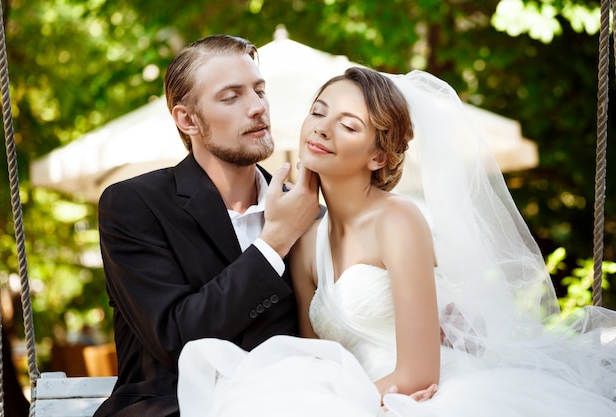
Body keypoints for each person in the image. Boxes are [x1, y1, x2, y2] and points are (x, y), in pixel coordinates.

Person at [177, 67, 616, 416]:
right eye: (318, 112)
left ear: (379, 156)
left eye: (347, 126)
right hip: (344, 395)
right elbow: (314, 358)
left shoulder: (398, 219)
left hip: (417, 396)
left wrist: (340, 408)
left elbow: (419, 373)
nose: (323, 129)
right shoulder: (307, 236)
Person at [93, 34, 321, 417]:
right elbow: (178, 339)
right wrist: (274, 241)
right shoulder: (133, 206)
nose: (256, 108)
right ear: (187, 119)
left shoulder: (309, 213)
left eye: (259, 91)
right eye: (231, 97)